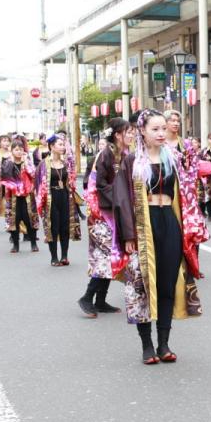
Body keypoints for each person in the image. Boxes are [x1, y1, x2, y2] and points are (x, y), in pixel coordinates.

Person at [121, 110, 208, 365]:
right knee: (143, 285)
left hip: (169, 221)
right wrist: (128, 235)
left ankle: (164, 343)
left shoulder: (174, 158)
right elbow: (122, 200)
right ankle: (147, 345)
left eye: (163, 129)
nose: (161, 133)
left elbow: (189, 188)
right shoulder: (131, 162)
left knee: (168, 282)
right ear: (142, 131)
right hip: (142, 226)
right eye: (155, 129)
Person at [78, 119, 129, 318]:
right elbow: (100, 185)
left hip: (114, 211)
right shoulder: (106, 154)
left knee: (111, 256)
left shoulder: (124, 154)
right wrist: (122, 195)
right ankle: (87, 297)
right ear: (117, 135)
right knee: (106, 256)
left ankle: (100, 300)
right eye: (128, 132)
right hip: (100, 214)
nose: (132, 136)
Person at [38, 134, 83, 267]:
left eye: (63, 145)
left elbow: (71, 181)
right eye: (60, 144)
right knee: (53, 227)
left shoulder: (66, 163)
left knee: (65, 226)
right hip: (51, 198)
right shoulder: (43, 164)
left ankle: (64, 256)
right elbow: (39, 185)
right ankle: (54, 257)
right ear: (52, 146)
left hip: (65, 196)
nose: (63, 147)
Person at [0, 138, 40, 254]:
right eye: (16, 150)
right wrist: (11, 162)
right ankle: (15, 244)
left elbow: (34, 174)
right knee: (14, 220)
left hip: (27, 195)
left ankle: (33, 242)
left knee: (30, 219)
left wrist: (26, 162)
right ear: (12, 151)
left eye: (21, 149)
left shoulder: (27, 161)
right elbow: (4, 177)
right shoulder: (7, 162)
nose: (19, 152)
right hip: (13, 196)